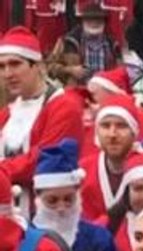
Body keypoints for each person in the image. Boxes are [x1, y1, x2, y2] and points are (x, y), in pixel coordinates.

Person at [0, 27, 85, 188]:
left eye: (15, 64)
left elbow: (44, 160)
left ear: (37, 66)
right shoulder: (7, 113)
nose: (7, 74)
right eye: (2, 66)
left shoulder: (63, 106)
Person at [79, 97, 141, 224]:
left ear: (134, 132)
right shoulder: (83, 170)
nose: (112, 134)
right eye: (106, 126)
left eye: (121, 126)